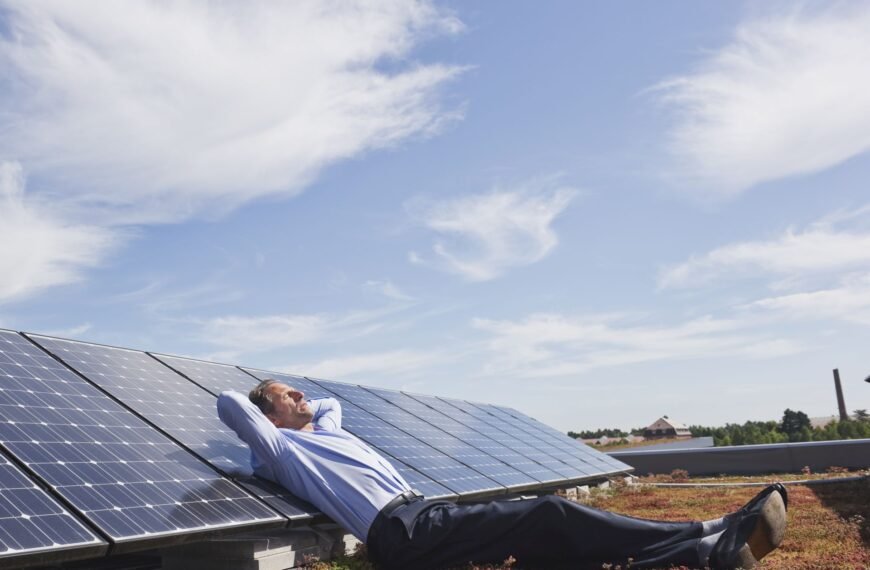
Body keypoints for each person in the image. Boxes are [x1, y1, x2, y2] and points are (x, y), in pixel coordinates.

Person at [217, 380, 788, 570]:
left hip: (422, 513)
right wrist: (270, 409)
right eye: (282, 395)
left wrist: (300, 405)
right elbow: (229, 402)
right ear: (267, 416)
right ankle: (705, 537)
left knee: (543, 537)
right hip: (399, 531)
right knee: (548, 510)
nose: (298, 396)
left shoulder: (326, 431)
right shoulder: (279, 451)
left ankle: (696, 546)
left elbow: (327, 404)